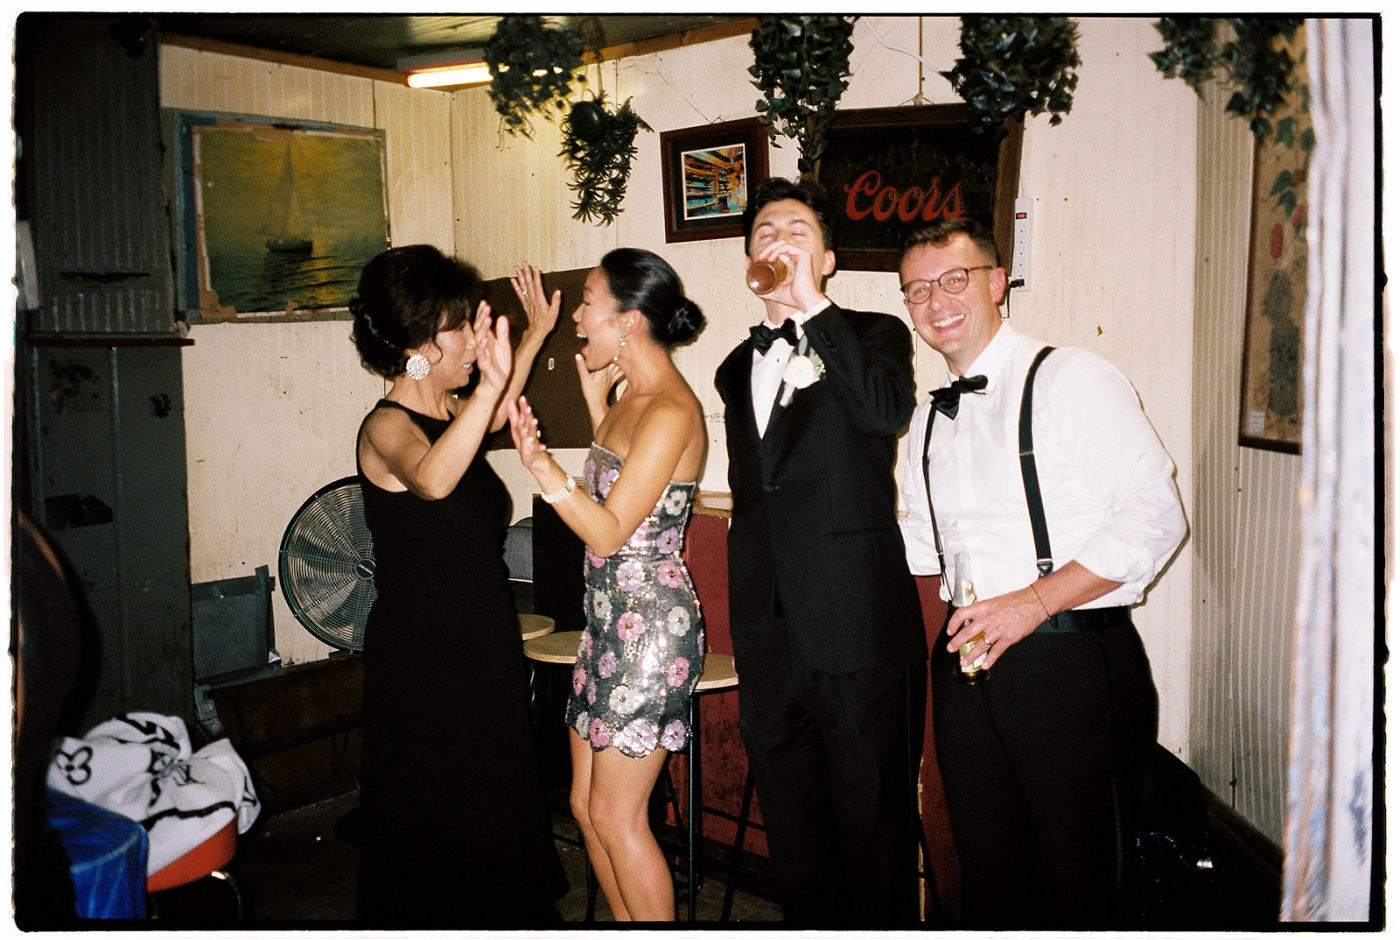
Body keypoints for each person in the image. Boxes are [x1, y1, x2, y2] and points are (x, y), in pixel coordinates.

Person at [896, 218, 1187, 927]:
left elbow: (1157, 517)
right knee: (989, 870)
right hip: (965, 662)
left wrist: (1031, 602)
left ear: (998, 283)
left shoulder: (1070, 378)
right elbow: (917, 549)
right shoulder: (927, 421)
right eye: (917, 290)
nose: (936, 301)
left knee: (1079, 878)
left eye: (955, 279)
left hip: (1070, 655)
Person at [714, 177, 927, 926]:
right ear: (748, 255)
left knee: (874, 815)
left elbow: (885, 411)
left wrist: (815, 313)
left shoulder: (873, 335)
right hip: (768, 629)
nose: (779, 241)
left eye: (797, 231)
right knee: (794, 819)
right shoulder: (733, 369)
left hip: (858, 621)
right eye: (766, 231)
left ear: (829, 257)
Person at [350, 245, 567, 927]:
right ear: (422, 339)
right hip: (425, 656)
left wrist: (529, 342)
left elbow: (492, 412)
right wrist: (496, 375)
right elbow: (434, 478)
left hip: (481, 637)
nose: (476, 339)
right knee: (440, 812)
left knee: (494, 796)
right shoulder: (387, 426)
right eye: (461, 327)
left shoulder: (447, 407)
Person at [506, 248, 707, 922]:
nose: (578, 319)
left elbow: (608, 531)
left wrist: (541, 466)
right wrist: (596, 411)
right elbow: (625, 497)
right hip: (608, 625)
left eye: (589, 302)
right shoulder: (630, 401)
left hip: (649, 632)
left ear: (630, 321)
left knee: (619, 819)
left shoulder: (672, 409)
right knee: (587, 809)